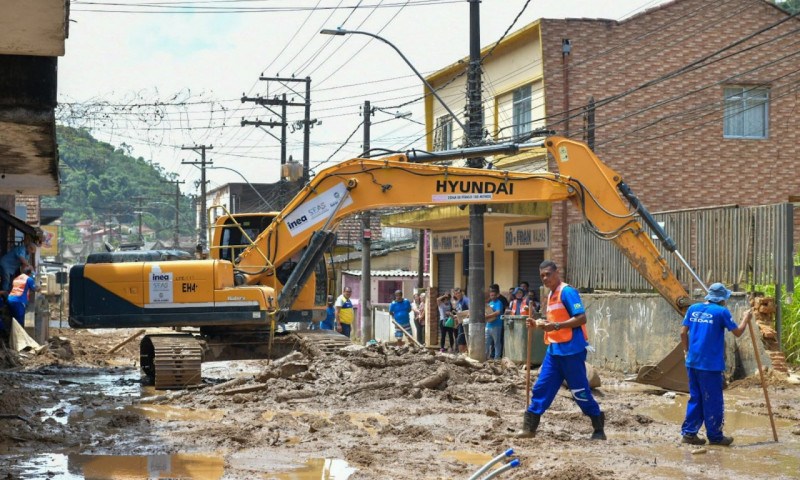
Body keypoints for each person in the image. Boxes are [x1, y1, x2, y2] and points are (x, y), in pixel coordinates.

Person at [517, 260, 605, 440]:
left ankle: (598, 427)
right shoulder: (550, 295)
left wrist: (556, 326)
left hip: (571, 350)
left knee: (580, 392)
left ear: (557, 273)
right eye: (542, 275)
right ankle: (529, 428)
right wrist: (536, 323)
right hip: (554, 350)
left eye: (548, 274)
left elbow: (581, 318)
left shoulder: (568, 292)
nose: (545, 278)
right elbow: (551, 321)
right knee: (541, 387)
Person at [680, 282, 752, 446]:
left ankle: (689, 434)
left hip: (692, 362)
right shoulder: (721, 312)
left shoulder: (693, 308)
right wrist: (746, 319)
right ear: (722, 299)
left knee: (696, 398)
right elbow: (738, 332)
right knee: (713, 400)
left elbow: (683, 332)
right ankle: (716, 437)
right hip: (710, 365)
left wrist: (686, 352)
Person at [485, 288, 504, 360]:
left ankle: (496, 358)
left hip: (497, 325)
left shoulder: (499, 303)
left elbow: (498, 312)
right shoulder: (490, 303)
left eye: (493, 295)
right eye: (491, 295)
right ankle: (485, 357)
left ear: (497, 295)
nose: (492, 297)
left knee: (497, 343)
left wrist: (487, 316)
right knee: (486, 343)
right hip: (488, 325)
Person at [452, 288, 470, 354]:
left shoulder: (466, 300)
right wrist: (456, 317)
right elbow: (459, 313)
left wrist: (465, 318)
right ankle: (463, 355)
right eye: (455, 293)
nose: (457, 294)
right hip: (460, 324)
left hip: (465, 324)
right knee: (460, 341)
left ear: (462, 292)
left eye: (458, 293)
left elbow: (471, 311)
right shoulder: (458, 302)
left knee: (462, 341)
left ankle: (464, 355)